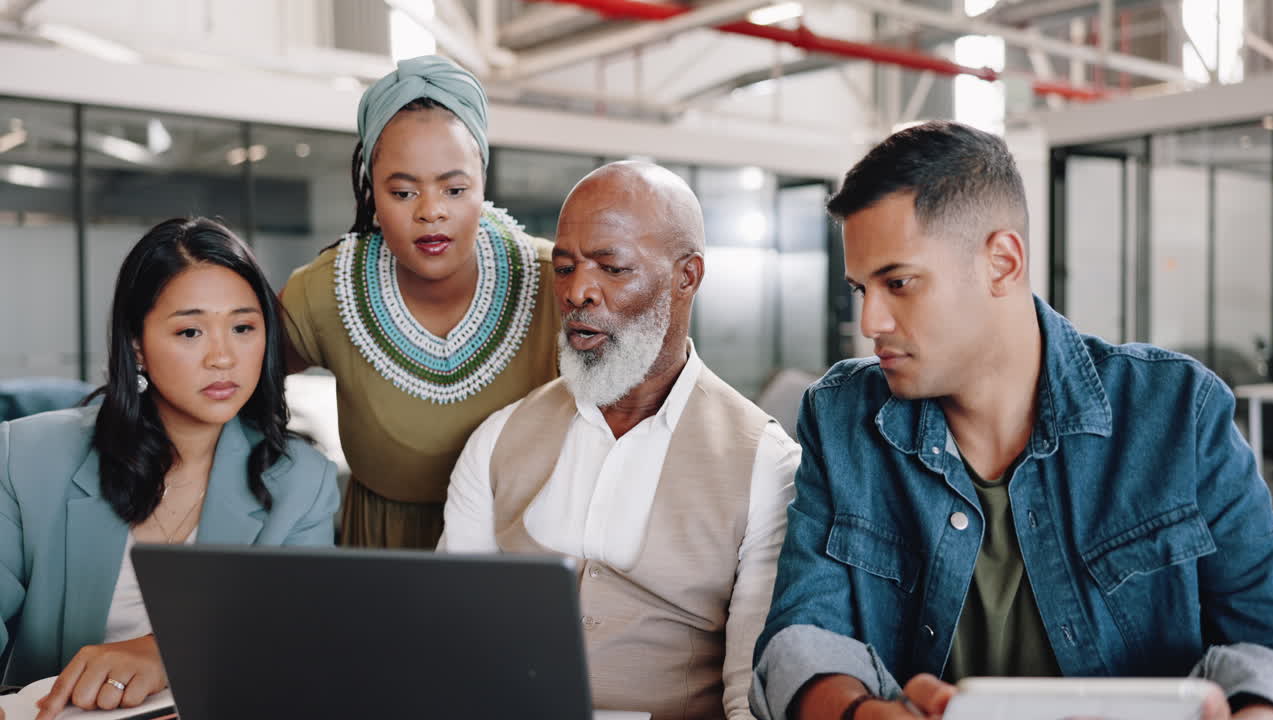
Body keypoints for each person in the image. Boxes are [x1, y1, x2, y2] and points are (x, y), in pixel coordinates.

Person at [750, 121, 1273, 720]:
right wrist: (858, 714)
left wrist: (1257, 709)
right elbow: (801, 639)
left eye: (898, 283)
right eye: (860, 288)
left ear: (1002, 263)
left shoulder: (1179, 411)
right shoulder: (841, 416)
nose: (870, 320)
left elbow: (1268, 634)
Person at [440, 161, 800, 720]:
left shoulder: (764, 463)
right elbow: (452, 646)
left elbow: (750, 694)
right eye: (564, 268)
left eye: (612, 267)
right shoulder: (497, 440)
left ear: (687, 277)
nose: (578, 291)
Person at [0, 218, 340, 720]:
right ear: (136, 344)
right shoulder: (27, 456)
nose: (223, 357)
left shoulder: (302, 481)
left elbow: (293, 644)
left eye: (243, 327)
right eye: (190, 331)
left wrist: (165, 649)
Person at [280, 55, 558, 549]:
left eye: (454, 188)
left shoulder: (555, 282)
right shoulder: (326, 292)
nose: (432, 212)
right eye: (404, 192)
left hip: (521, 553)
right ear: (371, 190)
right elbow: (235, 388)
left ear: (483, 182)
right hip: (384, 560)